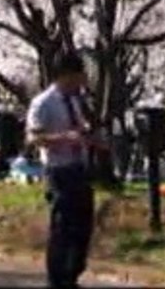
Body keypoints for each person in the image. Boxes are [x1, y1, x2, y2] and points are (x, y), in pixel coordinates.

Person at [26, 52, 105, 289]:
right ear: (66, 75)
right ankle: (58, 279)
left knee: (83, 224)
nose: (82, 81)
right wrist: (63, 138)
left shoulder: (74, 100)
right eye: (79, 76)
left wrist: (90, 138)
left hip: (79, 168)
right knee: (62, 227)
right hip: (58, 171)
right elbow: (33, 138)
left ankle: (72, 273)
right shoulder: (43, 103)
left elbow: (79, 130)